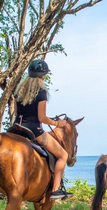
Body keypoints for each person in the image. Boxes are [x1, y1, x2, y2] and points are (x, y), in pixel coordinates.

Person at [13, 59, 73, 200]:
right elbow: (42, 117)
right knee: (63, 155)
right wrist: (57, 123)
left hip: (16, 128)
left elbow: (16, 113)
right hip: (33, 130)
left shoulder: (18, 92)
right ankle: (55, 190)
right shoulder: (41, 92)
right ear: (43, 76)